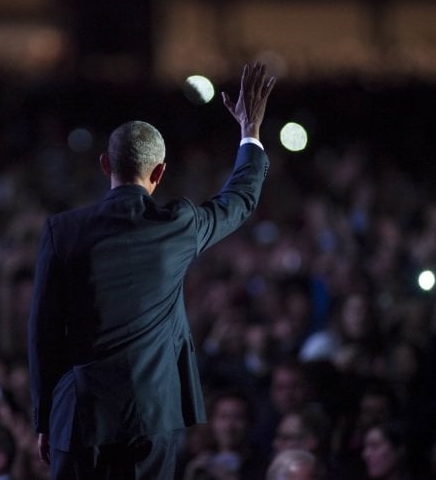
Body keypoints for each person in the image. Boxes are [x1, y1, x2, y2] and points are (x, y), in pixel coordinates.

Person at [27, 61, 275, 479]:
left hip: (79, 410)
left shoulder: (62, 231)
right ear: (159, 172)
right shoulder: (178, 225)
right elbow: (240, 198)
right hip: (153, 411)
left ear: (105, 164)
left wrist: (44, 416)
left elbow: (42, 332)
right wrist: (249, 135)